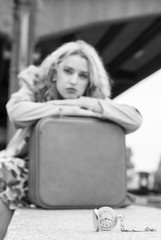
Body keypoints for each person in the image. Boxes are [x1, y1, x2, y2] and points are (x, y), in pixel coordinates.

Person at [0, 40, 142, 239]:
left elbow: (135, 118)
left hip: (72, 175)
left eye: (83, 75)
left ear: (90, 81)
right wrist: (66, 107)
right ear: (55, 70)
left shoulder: (92, 99)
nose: (74, 81)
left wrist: (86, 103)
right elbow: (16, 112)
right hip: (30, 168)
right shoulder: (36, 85)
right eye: (68, 71)